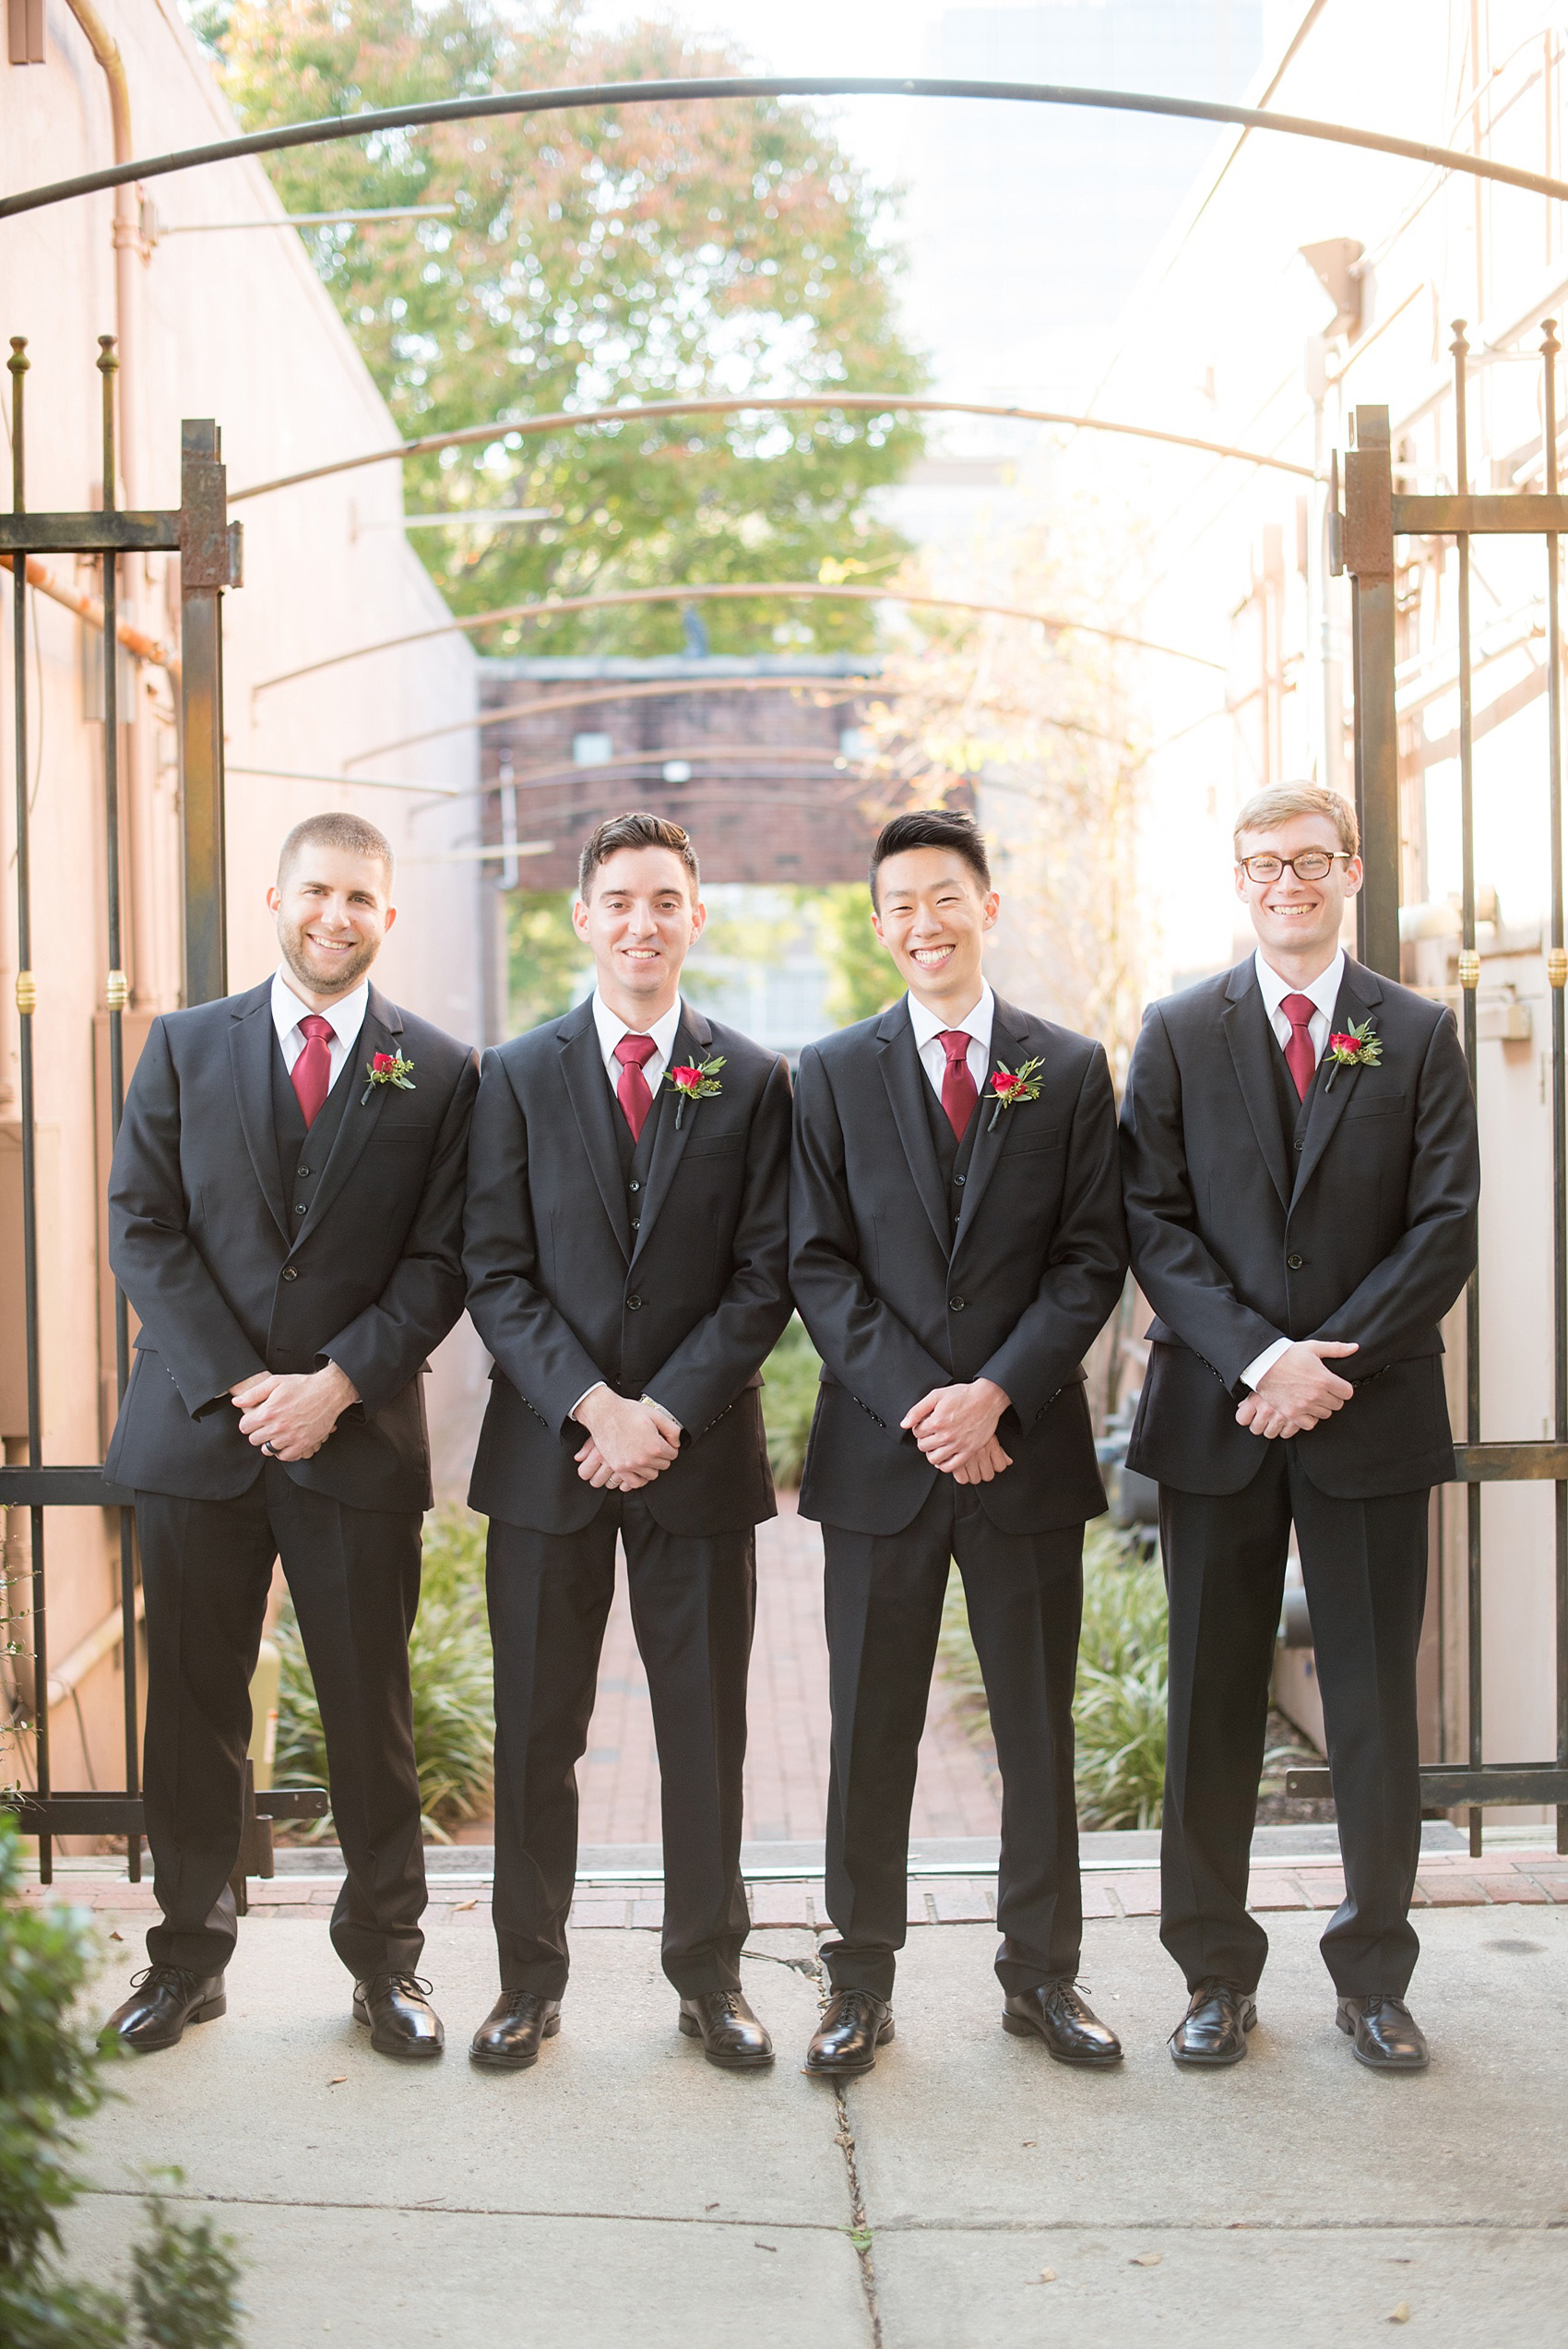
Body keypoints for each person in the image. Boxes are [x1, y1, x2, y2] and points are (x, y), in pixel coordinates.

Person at [101, 813, 479, 2059]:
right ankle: (189, 1957)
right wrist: (244, 1383)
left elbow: (442, 1259)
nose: (337, 914)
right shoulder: (182, 1044)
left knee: (366, 1711)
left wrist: (336, 1383)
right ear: (275, 895)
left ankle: (388, 1969)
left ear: (388, 915)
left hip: (354, 1440)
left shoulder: (438, 1068)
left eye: (362, 897)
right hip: (200, 1434)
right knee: (196, 1707)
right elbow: (143, 1226)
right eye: (319, 890)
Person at [1119, 781, 1479, 2073]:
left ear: (1352, 872)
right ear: (1241, 881)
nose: (1287, 882)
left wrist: (1332, 1363)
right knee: (1213, 1701)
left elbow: (1444, 1224)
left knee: (1376, 1705)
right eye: (1263, 864)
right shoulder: (1174, 1030)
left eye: (1310, 860)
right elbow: (1150, 1218)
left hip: (1368, 1413)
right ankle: (1214, 1973)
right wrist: (1262, 1357)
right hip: (1219, 1411)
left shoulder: (1420, 1033)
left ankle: (1376, 1975)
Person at [788, 807, 1128, 2076]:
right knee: (870, 1723)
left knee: (1037, 1725)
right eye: (901, 906)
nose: (924, 923)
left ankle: (1043, 1975)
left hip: (1023, 1451)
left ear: (988, 905)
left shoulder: (1070, 1066)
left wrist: (998, 1395)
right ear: (880, 927)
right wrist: (928, 1407)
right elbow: (816, 1265)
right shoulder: (825, 1073)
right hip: (883, 1458)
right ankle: (859, 1980)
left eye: (946, 897)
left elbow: (1094, 1256)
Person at [462, 812, 793, 2073]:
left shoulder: (757, 1079)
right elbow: (494, 1269)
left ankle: (709, 1979)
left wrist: (666, 1411)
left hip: (697, 1457)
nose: (643, 922)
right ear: (583, 919)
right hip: (550, 1455)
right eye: (620, 900)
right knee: (536, 1730)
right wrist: (592, 1404)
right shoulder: (514, 1075)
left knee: (704, 1730)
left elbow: (767, 1276)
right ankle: (526, 1981)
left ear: (694, 918)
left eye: (667, 900)